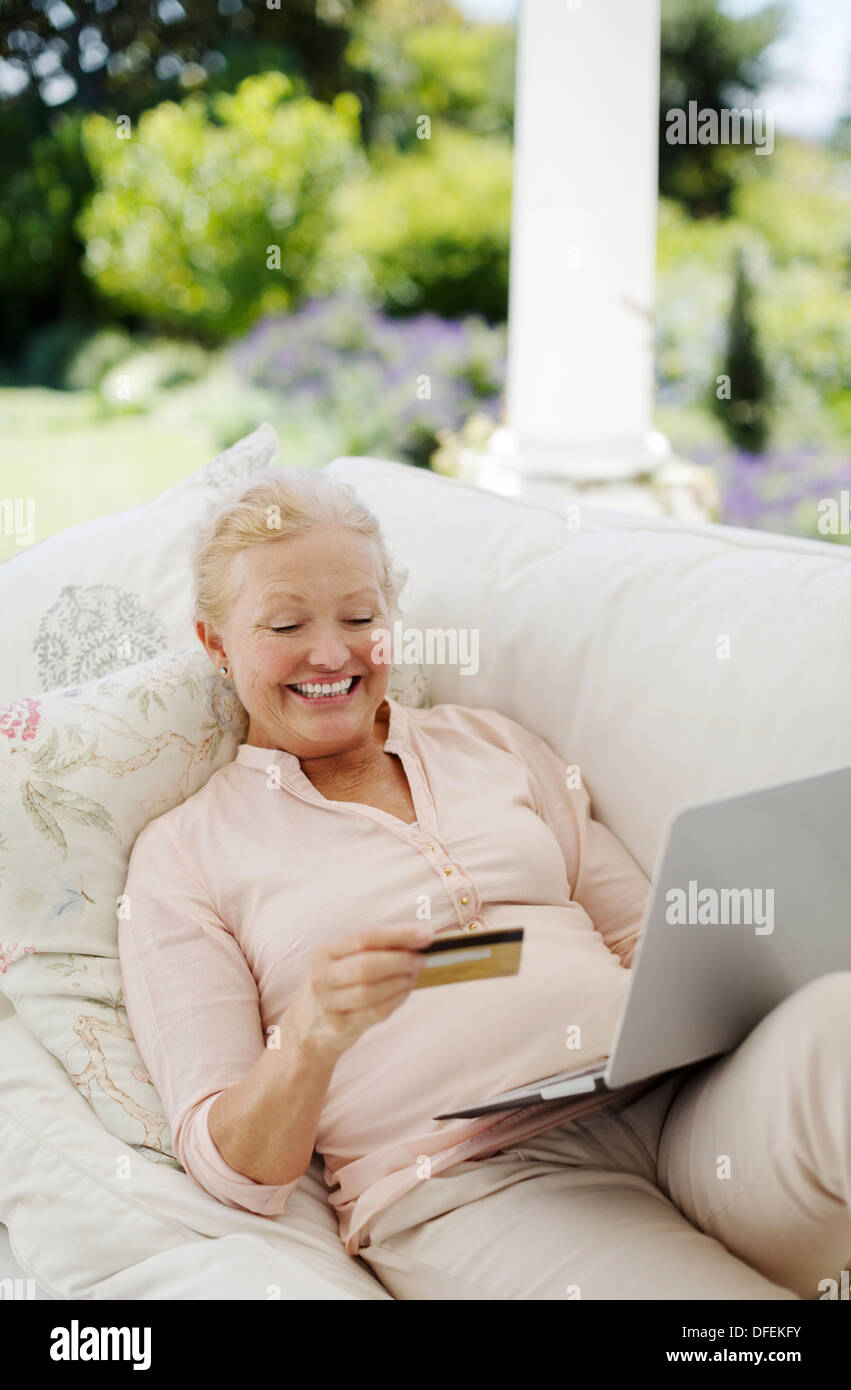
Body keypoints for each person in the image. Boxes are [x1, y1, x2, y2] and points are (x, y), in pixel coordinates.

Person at [118, 470, 851, 1301]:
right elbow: (233, 1166)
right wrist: (311, 1036)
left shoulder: (489, 744)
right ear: (215, 643)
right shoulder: (182, 856)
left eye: (360, 618)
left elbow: (644, 937)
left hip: (675, 1106)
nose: (331, 653)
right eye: (286, 624)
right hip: (473, 1184)